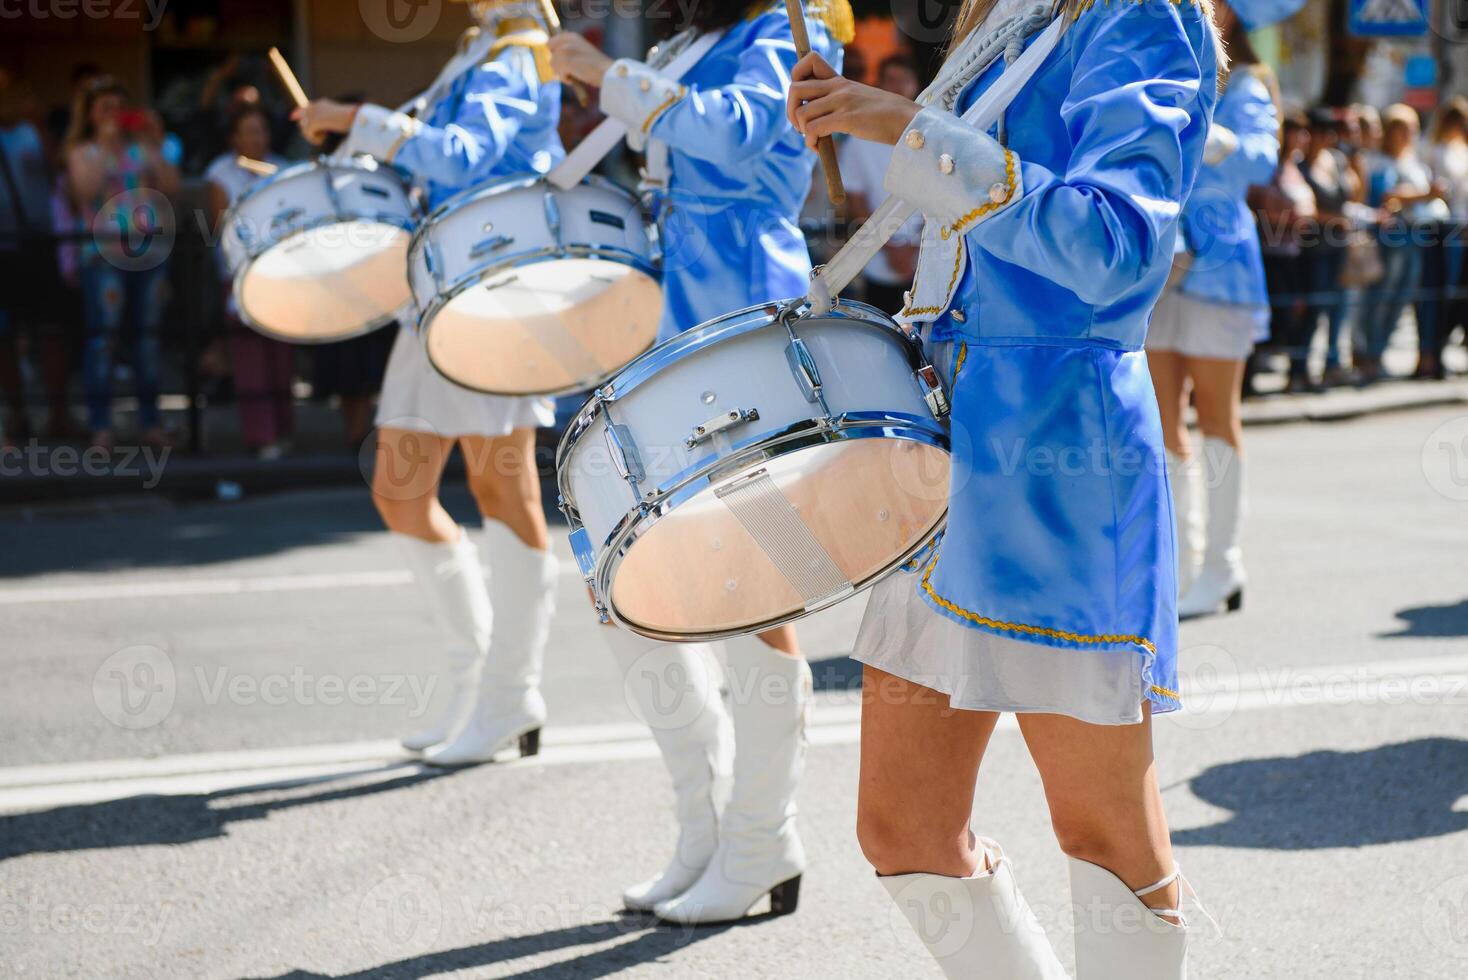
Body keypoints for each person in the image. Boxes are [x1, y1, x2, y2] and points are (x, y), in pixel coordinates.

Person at [787, 0, 1222, 973]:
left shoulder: (1131, 13)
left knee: (1106, 833)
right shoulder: (1005, 22)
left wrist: (906, 129)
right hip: (943, 446)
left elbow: (1114, 245)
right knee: (901, 826)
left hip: (1058, 450)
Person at [548, 0, 849, 926]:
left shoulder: (792, 30)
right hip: (664, 327)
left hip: (741, 327)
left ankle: (762, 837)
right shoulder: (698, 40)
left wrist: (609, 75)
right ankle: (706, 831)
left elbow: (736, 132)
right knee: (626, 577)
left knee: (753, 586)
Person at [291, 0, 563, 767]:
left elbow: (460, 156)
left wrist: (356, 115)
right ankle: (477, 681)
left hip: (492, 286)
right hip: (439, 290)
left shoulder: (520, 49)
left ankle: (511, 695)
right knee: (398, 489)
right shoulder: (482, 48)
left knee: (503, 491)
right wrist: (352, 136)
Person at [1146, 1, 1279, 616]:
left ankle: (1223, 564)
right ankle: (1180, 564)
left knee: (1216, 417)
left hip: (1220, 265)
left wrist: (1216, 136)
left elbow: (1262, 159)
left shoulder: (1247, 81)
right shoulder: (1162, 64)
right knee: (1162, 421)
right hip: (1159, 262)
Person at [65, 76, 180, 451]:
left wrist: (153, 141)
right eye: (105, 110)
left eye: (120, 108)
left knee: (147, 339)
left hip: (148, 253)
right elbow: (84, 191)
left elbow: (172, 188)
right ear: (92, 116)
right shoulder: (84, 152)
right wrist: (106, 143)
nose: (114, 116)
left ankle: (151, 424)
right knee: (104, 339)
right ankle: (101, 427)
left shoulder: (143, 149)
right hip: (102, 257)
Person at [205, 103, 294, 458]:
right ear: (235, 137)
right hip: (241, 274)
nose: (259, 137)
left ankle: (284, 429)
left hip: (282, 276)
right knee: (250, 358)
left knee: (282, 359)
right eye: (251, 130)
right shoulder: (220, 172)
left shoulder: (285, 169)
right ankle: (261, 435)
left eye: (262, 130)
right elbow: (222, 226)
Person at [0, 64, 72, 448]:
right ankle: (18, 414)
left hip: (41, 245)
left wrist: (40, 124)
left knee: (51, 331)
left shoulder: (31, 131)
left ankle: (59, 414)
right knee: (5, 335)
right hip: (3, 249)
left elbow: (58, 169)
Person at [1360, 104, 1446, 383]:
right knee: (1383, 296)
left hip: (1416, 237)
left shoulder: (1414, 161)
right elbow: (1389, 197)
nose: (1409, 134)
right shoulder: (1379, 162)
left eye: (1412, 128)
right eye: (1403, 128)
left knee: (1401, 300)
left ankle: (1379, 353)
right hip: (1391, 239)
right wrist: (1425, 195)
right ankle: (1369, 356)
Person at [837, 53, 924, 315]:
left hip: (928, 259)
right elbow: (855, 201)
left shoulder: (932, 136)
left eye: (903, 80)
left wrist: (915, 245)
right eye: (890, 79)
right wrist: (892, 247)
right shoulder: (858, 140)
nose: (896, 87)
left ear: (916, 85)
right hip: (878, 260)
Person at [1301, 108, 1360, 388]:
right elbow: (1303, 208)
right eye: (1323, 133)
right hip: (1313, 248)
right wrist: (1334, 220)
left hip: (1339, 245)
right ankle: (1301, 369)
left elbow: (1354, 192)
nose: (1328, 139)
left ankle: (1333, 364)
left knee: (1339, 308)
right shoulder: (1299, 165)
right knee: (1314, 310)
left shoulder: (1337, 160)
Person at [1418, 97, 1468, 379]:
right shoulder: (1432, 150)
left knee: (1454, 296)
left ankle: (1440, 351)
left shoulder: (1463, 151)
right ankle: (1429, 355)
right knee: (1436, 292)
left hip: (1461, 230)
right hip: (1442, 228)